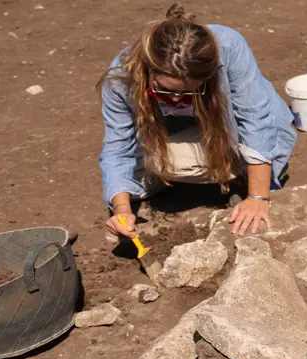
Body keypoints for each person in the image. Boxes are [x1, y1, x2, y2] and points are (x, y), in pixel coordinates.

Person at [97, 4, 296, 237]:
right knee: (141, 178)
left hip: (229, 124)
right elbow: (118, 146)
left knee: (268, 152)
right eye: (165, 90)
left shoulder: (229, 47)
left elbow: (256, 121)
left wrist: (258, 197)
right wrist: (122, 210)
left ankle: (236, 174)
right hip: (173, 130)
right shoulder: (121, 75)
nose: (175, 98)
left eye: (189, 91)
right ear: (149, 70)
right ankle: (216, 170)